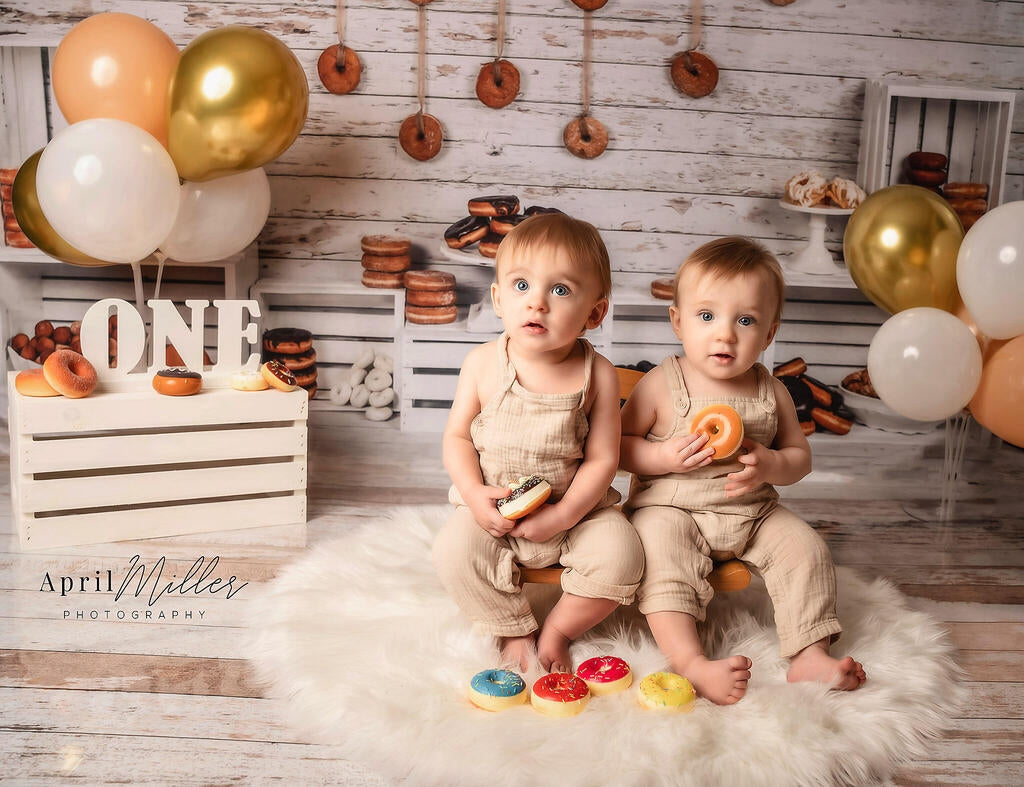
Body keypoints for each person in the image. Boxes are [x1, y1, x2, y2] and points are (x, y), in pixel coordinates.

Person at [619, 236, 866, 705]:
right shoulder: (660, 383)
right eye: (707, 316)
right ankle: (691, 662)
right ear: (678, 321)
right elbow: (619, 448)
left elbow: (799, 456)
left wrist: (772, 463)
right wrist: (661, 457)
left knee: (806, 549)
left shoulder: (770, 390)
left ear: (769, 334)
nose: (725, 334)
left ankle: (809, 654)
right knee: (661, 558)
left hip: (751, 512)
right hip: (673, 509)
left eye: (745, 320)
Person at [433, 212, 643, 674]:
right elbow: (457, 438)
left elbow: (604, 458)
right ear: (498, 299)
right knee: (452, 552)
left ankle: (558, 631)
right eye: (522, 286)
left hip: (576, 511)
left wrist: (565, 515)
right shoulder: (482, 364)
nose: (538, 304)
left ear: (595, 312)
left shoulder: (598, 373)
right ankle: (515, 628)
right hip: (495, 510)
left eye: (561, 290)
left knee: (623, 557)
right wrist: (473, 495)